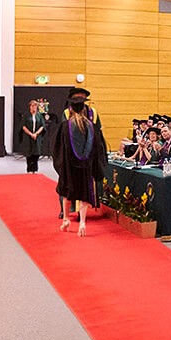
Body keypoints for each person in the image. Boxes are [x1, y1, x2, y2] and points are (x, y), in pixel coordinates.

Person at [50, 87, 106, 234]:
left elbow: (58, 144)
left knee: (68, 190)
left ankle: (66, 219)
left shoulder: (67, 124)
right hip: (86, 163)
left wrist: (60, 162)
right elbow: (98, 142)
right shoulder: (89, 125)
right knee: (84, 192)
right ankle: (81, 222)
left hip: (69, 163)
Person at [19, 98, 51, 174]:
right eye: (32, 106)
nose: (34, 107)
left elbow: (42, 126)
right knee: (29, 153)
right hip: (28, 136)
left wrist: (36, 134)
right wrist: (31, 134)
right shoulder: (26, 115)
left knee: (36, 153)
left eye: (35, 106)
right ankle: (29, 169)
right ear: (30, 106)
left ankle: (35, 169)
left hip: (37, 137)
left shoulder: (39, 115)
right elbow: (23, 126)